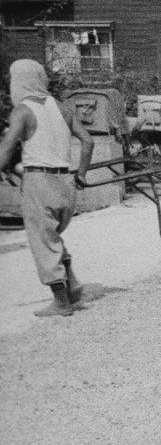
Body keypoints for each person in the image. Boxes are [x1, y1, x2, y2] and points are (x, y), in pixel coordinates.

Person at [0, 59, 95, 316]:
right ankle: (73, 286)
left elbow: (6, 149)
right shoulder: (61, 107)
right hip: (65, 183)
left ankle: (62, 302)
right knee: (52, 235)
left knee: (43, 241)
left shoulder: (23, 110)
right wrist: (82, 173)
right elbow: (87, 141)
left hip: (39, 182)